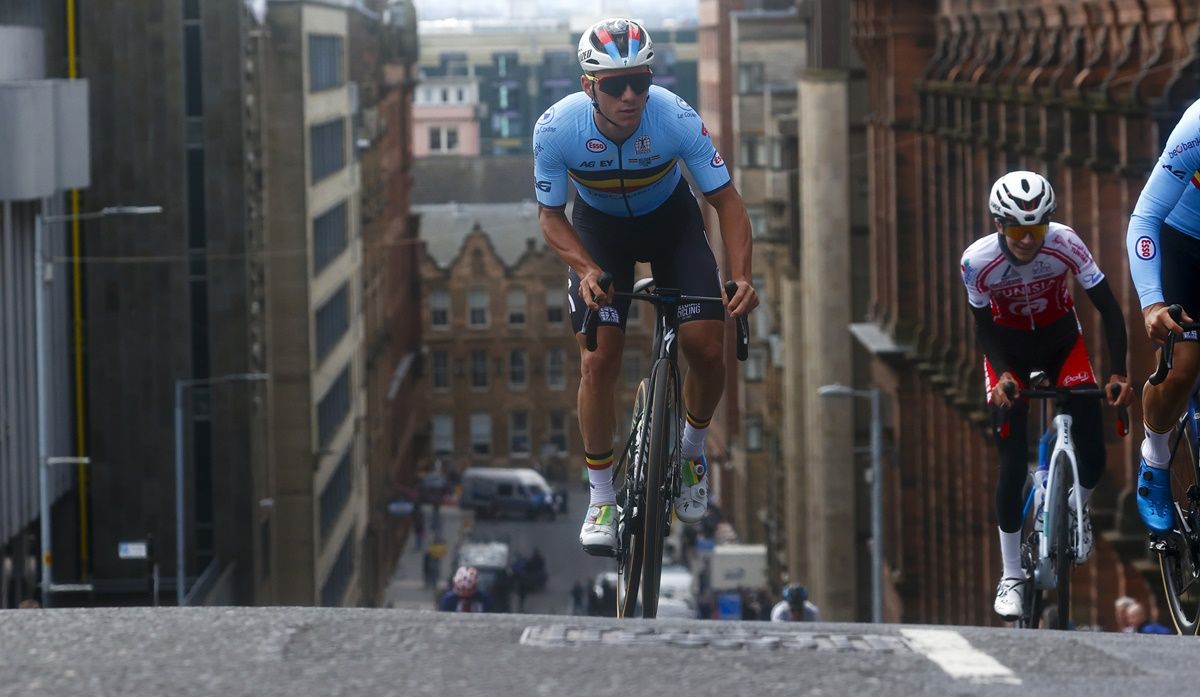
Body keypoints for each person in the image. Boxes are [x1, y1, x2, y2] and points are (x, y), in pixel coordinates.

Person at [533, 17, 758, 556]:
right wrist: (587, 270)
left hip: (670, 224)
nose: (630, 95)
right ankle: (602, 497)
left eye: (641, 81)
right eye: (615, 85)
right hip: (598, 234)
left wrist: (743, 275)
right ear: (590, 86)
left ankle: (691, 452)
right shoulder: (555, 128)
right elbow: (550, 216)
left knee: (707, 345)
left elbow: (727, 202)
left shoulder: (675, 117)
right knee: (597, 361)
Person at [960, 171, 1132, 620]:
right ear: (999, 225)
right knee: (1012, 464)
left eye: (1035, 229)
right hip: (1008, 353)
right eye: (1017, 230)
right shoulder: (976, 262)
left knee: (1094, 456)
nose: (1026, 240)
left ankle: (1074, 510)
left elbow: (1109, 308)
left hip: (1061, 345)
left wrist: (1118, 372)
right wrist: (1000, 377)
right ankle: (1012, 573)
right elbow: (982, 327)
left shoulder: (1066, 243)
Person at [1125, 99, 1200, 536]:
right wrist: (1152, 303)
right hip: (1183, 245)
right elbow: (1146, 217)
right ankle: (1154, 460)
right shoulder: (1195, 126)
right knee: (1183, 368)